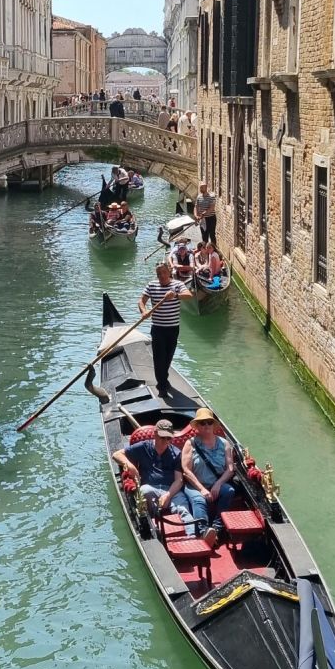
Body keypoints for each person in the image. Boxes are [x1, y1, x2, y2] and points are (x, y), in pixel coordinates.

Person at [112, 423, 194, 534]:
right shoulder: (143, 447)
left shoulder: (176, 453)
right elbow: (116, 455)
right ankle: (152, 526)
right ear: (155, 434)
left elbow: (178, 480)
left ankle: (192, 536)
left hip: (171, 490)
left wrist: (168, 495)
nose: (165, 441)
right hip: (150, 487)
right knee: (144, 491)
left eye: (168, 438)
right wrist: (130, 465)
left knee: (183, 509)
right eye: (162, 437)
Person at [139, 262, 194, 397]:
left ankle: (163, 379)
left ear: (169, 272)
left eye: (163, 273)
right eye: (159, 274)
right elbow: (141, 301)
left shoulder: (177, 285)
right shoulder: (152, 285)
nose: (161, 276)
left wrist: (175, 295)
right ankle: (162, 387)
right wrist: (144, 311)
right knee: (159, 358)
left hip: (173, 329)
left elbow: (189, 295)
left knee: (168, 358)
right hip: (157, 328)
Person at [181, 408, 237, 540]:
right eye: (202, 423)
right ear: (197, 427)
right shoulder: (190, 443)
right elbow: (186, 470)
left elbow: (230, 469)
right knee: (199, 499)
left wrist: (218, 484)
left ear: (213, 425)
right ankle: (203, 532)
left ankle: (217, 528)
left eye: (209, 422)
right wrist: (202, 489)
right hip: (195, 485)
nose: (206, 425)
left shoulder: (224, 443)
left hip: (216, 483)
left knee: (229, 491)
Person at [193, 181, 217, 245]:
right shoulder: (199, 197)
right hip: (202, 219)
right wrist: (196, 215)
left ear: (206, 188)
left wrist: (204, 214)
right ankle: (205, 250)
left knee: (212, 234)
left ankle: (213, 250)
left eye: (202, 187)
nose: (200, 189)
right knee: (204, 235)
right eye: (200, 187)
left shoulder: (211, 197)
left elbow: (212, 208)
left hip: (210, 218)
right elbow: (196, 207)